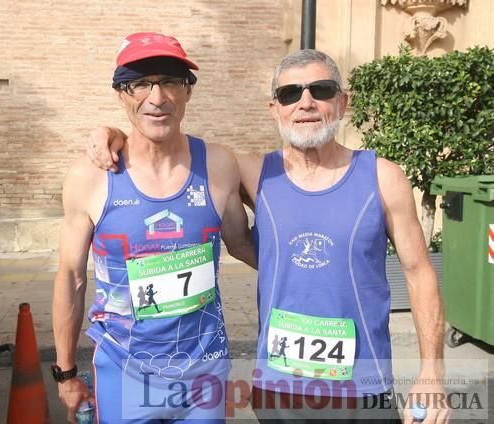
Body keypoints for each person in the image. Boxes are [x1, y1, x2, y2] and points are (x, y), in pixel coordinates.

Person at [88, 49, 449, 423]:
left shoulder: (383, 177)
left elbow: (420, 274)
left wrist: (432, 376)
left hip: (361, 387)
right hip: (278, 390)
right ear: (274, 108)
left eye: (320, 90)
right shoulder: (253, 173)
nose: (305, 103)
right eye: (291, 94)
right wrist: (114, 134)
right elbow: (172, 146)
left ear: (342, 103)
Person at [52, 32, 255, 423]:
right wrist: (66, 372)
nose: (156, 98)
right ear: (121, 94)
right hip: (124, 371)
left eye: (170, 82)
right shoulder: (90, 177)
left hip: (203, 374)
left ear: (188, 91)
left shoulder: (219, 165)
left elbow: (243, 244)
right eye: (140, 84)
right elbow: (72, 278)